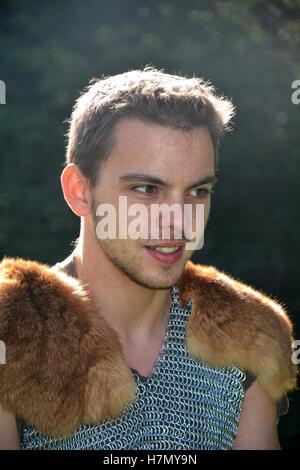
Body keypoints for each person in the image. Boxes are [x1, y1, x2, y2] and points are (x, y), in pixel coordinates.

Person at [0, 67, 297, 450]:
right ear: (80, 192)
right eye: (146, 189)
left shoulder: (243, 337)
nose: (179, 222)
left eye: (197, 191)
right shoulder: (12, 335)